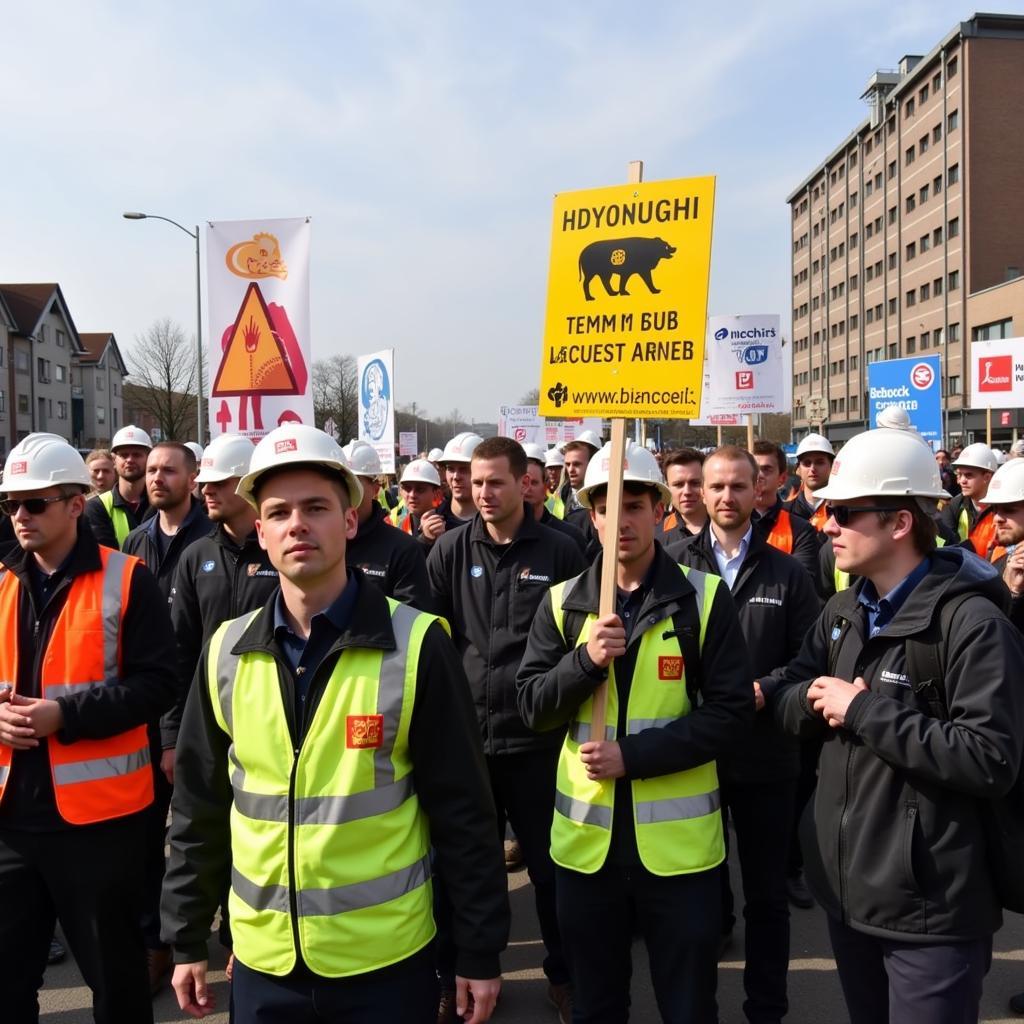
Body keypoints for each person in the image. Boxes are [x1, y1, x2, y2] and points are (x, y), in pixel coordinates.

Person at [161, 424, 509, 1024]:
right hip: (265, 963)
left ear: (350, 522)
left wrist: (477, 949)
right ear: (260, 532)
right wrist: (187, 937)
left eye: (316, 507)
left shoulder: (418, 645)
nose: (298, 524)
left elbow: (464, 813)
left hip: (386, 963)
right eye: (279, 512)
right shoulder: (225, 652)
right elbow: (199, 808)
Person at [775, 426, 1024, 1024]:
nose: (826, 524)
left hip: (932, 909)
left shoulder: (974, 625)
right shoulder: (841, 611)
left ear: (901, 523)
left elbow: (990, 758)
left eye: (845, 512)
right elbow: (790, 694)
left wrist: (862, 712)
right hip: (849, 893)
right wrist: (813, 697)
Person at [517, 441, 753, 1023]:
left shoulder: (701, 598)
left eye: (635, 503)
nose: (620, 519)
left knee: (689, 1006)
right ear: (589, 514)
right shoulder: (561, 605)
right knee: (597, 1006)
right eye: (605, 505)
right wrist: (583, 662)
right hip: (585, 854)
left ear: (659, 509)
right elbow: (530, 708)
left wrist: (633, 756)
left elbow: (729, 715)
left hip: (679, 861)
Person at [0, 433, 177, 1024]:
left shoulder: (128, 579)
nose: (20, 516)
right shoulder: (0, 582)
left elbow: (158, 684)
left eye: (35, 502)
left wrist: (64, 716)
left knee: (118, 987)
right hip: (10, 823)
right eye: (11, 504)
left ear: (77, 503)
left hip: (100, 826)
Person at [426, 436, 586, 1023]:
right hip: (465, 741)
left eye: (495, 481)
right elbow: (433, 639)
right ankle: (455, 977)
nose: (482, 492)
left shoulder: (563, 552)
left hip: (539, 741)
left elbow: (578, 643)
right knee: (462, 869)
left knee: (550, 871)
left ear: (524, 483)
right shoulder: (447, 551)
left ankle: (565, 976)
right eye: (474, 480)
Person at [671, 446, 821, 1023]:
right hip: (694, 757)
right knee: (700, 900)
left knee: (767, 899)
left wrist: (763, 687)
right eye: (717, 488)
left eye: (740, 486)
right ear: (701, 494)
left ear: (760, 489)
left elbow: (810, 656)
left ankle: (767, 1010)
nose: (727, 498)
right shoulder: (674, 563)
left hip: (766, 756)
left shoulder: (786, 569)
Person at [121, 440, 212, 991]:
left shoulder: (211, 541)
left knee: (198, 832)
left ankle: (197, 936)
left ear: (193, 477)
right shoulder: (136, 542)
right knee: (145, 839)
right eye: (151, 470)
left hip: (197, 711)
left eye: (167, 469)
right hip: (141, 713)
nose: (156, 478)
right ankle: (156, 942)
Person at [341, 440, 432, 608]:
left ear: (375, 489)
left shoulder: (404, 549)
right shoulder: (321, 541)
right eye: (341, 483)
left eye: (355, 483)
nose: (347, 491)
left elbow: (410, 617)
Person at [751, 440, 821, 583]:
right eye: (753, 469)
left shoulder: (801, 530)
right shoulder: (728, 523)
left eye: (766, 469)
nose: (759, 475)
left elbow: (801, 583)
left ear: (782, 479)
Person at [83, 425, 153, 549]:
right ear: (114, 461)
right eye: (124, 455)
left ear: (149, 458)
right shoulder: (96, 507)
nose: (130, 460)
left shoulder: (162, 503)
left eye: (137, 455)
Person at [522, 443, 588, 558]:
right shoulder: (502, 535)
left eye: (534, 482)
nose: (527, 488)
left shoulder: (570, 536)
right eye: (523, 483)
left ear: (545, 485)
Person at [940, 443, 1000, 556]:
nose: (961, 481)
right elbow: (945, 547)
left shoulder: (1004, 508)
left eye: (968, 475)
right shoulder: (954, 506)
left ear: (987, 477)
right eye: (959, 475)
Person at [785, 433, 835, 536]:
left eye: (819, 462)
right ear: (798, 468)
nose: (812, 469)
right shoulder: (784, 512)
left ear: (832, 466)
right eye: (807, 463)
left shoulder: (843, 511)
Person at [660, 447, 709, 546]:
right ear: (667, 487)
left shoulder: (731, 529)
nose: (687, 492)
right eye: (678, 485)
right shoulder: (657, 536)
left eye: (695, 483)